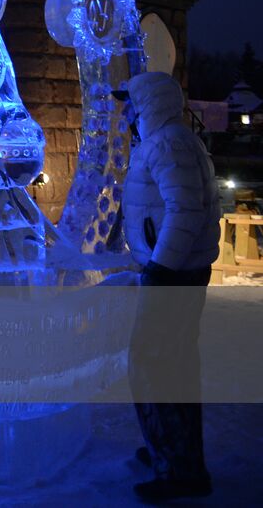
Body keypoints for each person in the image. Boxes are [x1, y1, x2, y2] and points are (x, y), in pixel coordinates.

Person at [116, 71, 222, 504]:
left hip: (173, 276)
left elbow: (184, 211)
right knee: (174, 367)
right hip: (180, 273)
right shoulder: (171, 140)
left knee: (151, 367)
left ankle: (177, 470)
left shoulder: (166, 144)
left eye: (131, 105)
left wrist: (159, 266)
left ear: (148, 105)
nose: (126, 113)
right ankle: (174, 453)